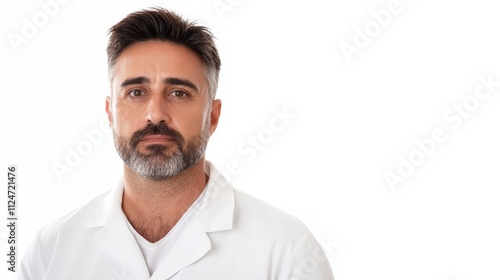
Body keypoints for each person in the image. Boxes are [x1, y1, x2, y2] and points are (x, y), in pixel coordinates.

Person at [19, 7, 334, 280]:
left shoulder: (287, 251)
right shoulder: (51, 252)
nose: (155, 114)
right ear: (110, 113)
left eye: (179, 93)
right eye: (136, 92)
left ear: (212, 115)